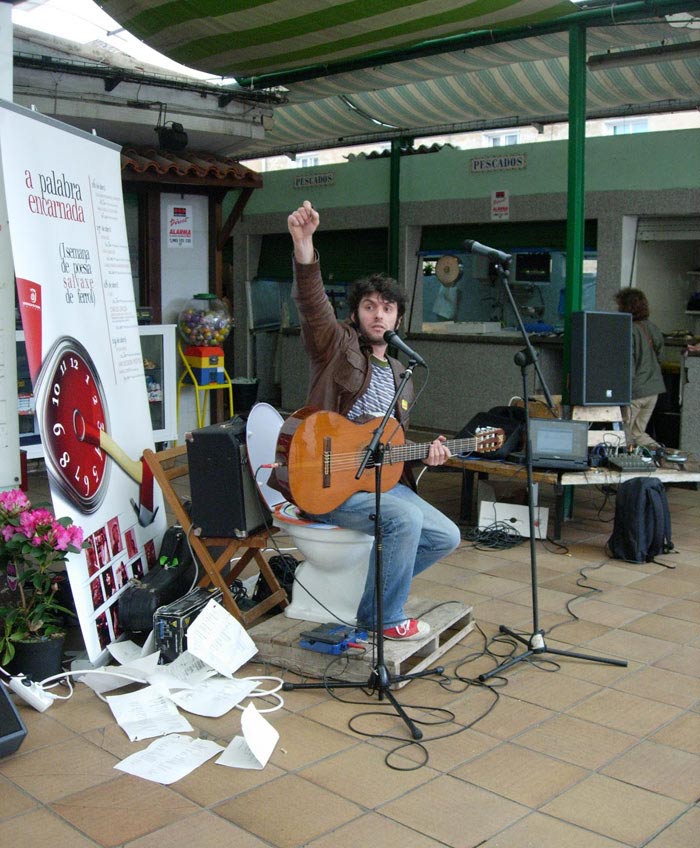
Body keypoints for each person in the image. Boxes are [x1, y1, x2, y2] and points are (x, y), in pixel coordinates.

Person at [286, 200, 461, 641]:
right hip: (327, 482)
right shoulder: (335, 345)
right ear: (355, 314)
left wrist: (428, 455)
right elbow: (313, 306)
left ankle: (372, 598)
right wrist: (304, 246)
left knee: (446, 536)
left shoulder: (403, 374)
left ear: (398, 317)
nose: (378, 314)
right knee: (404, 522)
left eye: (387, 308)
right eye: (369, 306)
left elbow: (387, 448)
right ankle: (384, 618)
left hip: (377, 483)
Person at [615, 287, 666, 449]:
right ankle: (661, 453)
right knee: (637, 433)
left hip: (636, 391)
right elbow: (661, 357)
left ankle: (656, 455)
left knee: (624, 434)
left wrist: (624, 390)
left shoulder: (628, 329)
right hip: (653, 391)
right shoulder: (653, 327)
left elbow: (627, 363)